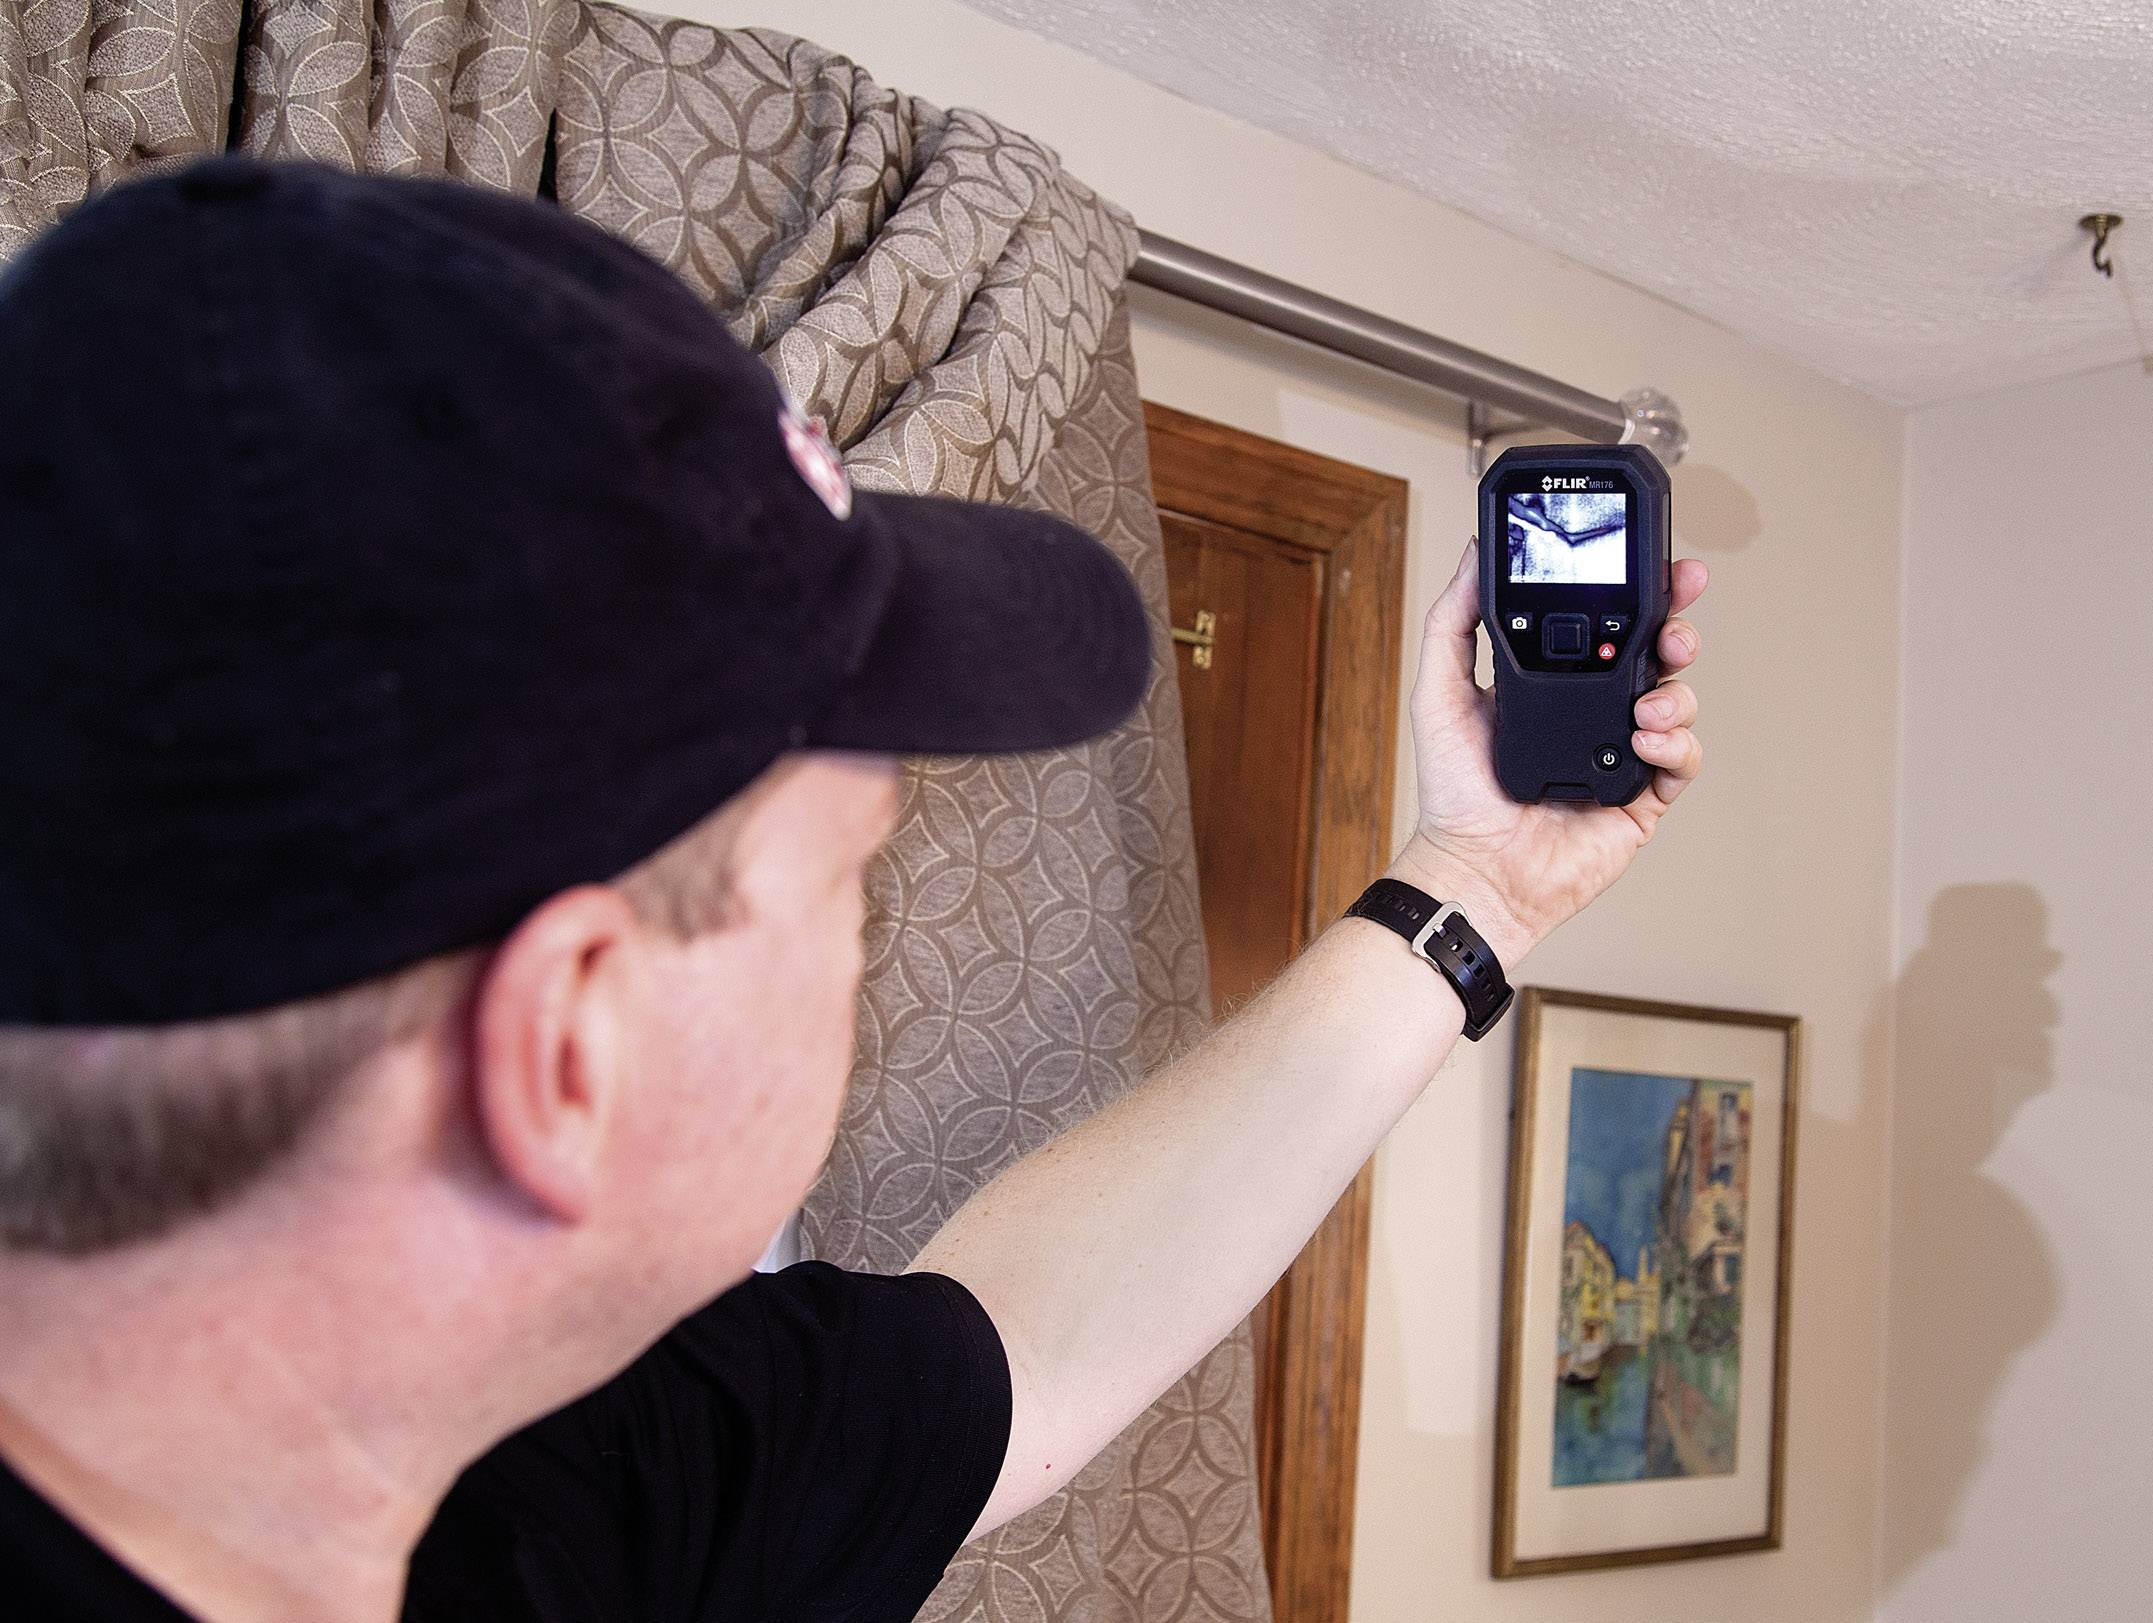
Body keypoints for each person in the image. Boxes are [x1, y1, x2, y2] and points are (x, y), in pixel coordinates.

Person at [0, 158, 1706, 1622]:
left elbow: (1018, 1350)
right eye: (849, 882)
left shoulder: (521, 1487)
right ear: (569, 1052)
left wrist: (1469, 884)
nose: (859, 946)